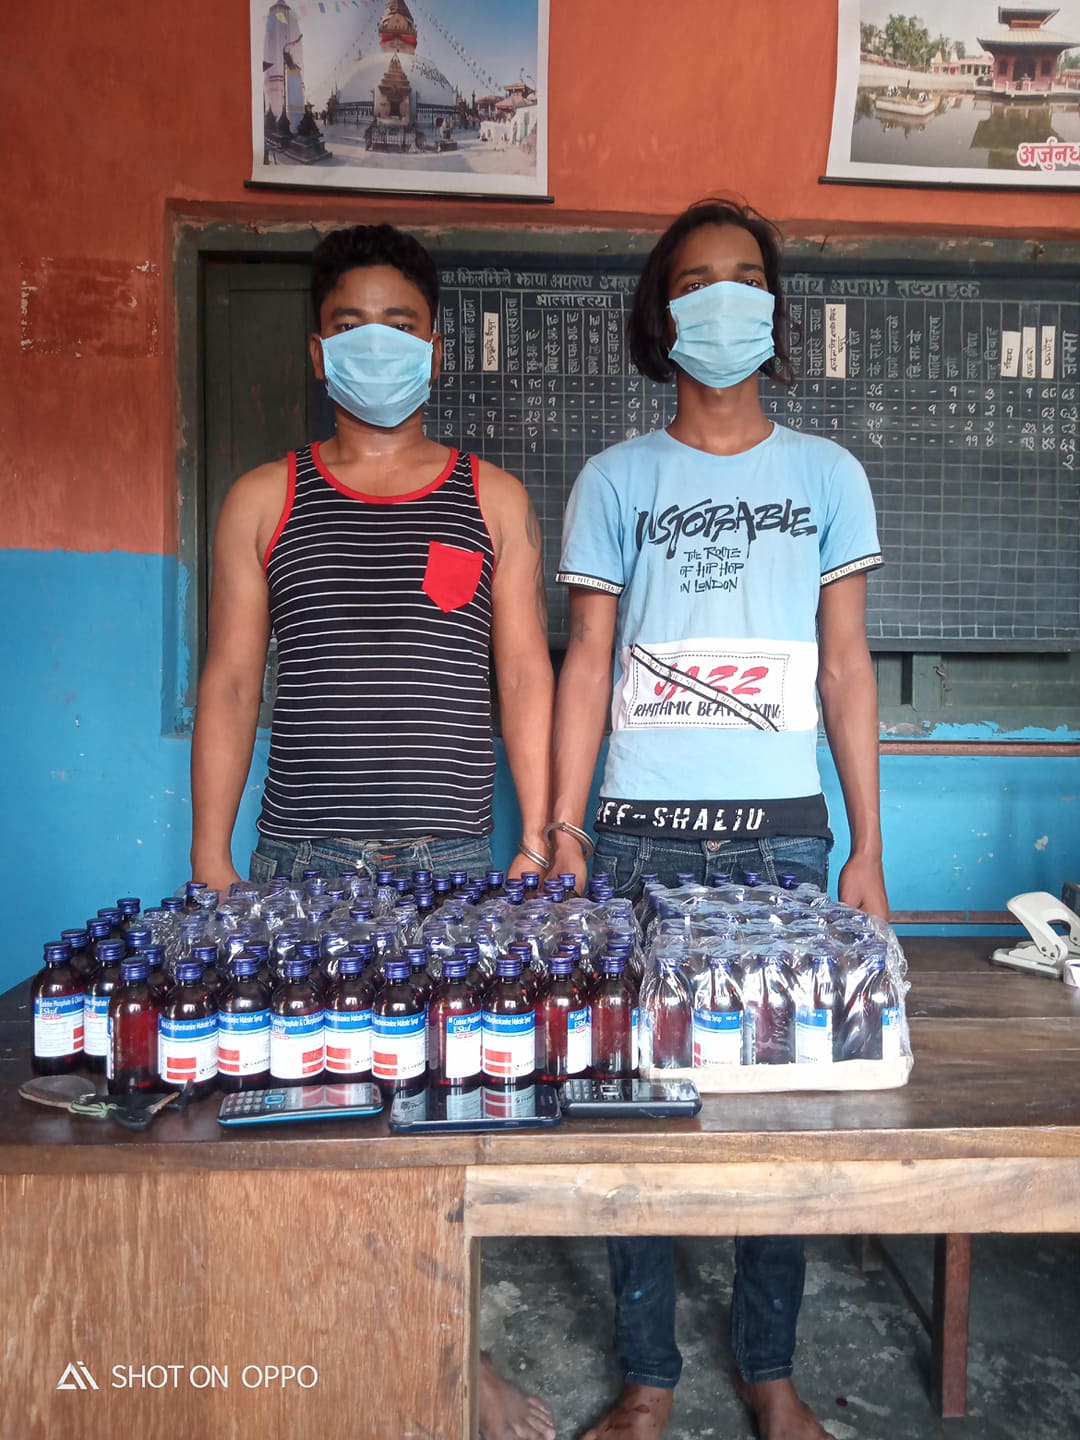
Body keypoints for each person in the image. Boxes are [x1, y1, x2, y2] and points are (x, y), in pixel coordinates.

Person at [189, 222, 556, 1440]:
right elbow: (230, 682)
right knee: (301, 1123)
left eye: (399, 323)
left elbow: (524, 674)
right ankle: (313, 1357)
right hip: (302, 868)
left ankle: (461, 1355)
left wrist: (539, 832)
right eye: (350, 324)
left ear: (435, 347)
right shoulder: (266, 498)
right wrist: (211, 859)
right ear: (316, 351)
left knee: (448, 1125)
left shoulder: (490, 498)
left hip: (450, 866)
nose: (376, 344)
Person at [548, 198, 889, 1440]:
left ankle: (770, 1372)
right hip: (638, 835)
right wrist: (564, 829)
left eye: (747, 278)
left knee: (775, 1117)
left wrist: (867, 849)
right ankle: (648, 1376)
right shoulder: (615, 478)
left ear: (775, 311)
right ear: (662, 315)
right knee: (633, 1101)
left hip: (784, 840)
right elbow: (588, 661)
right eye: (696, 282)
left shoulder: (828, 475)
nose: (724, 300)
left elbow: (845, 668)